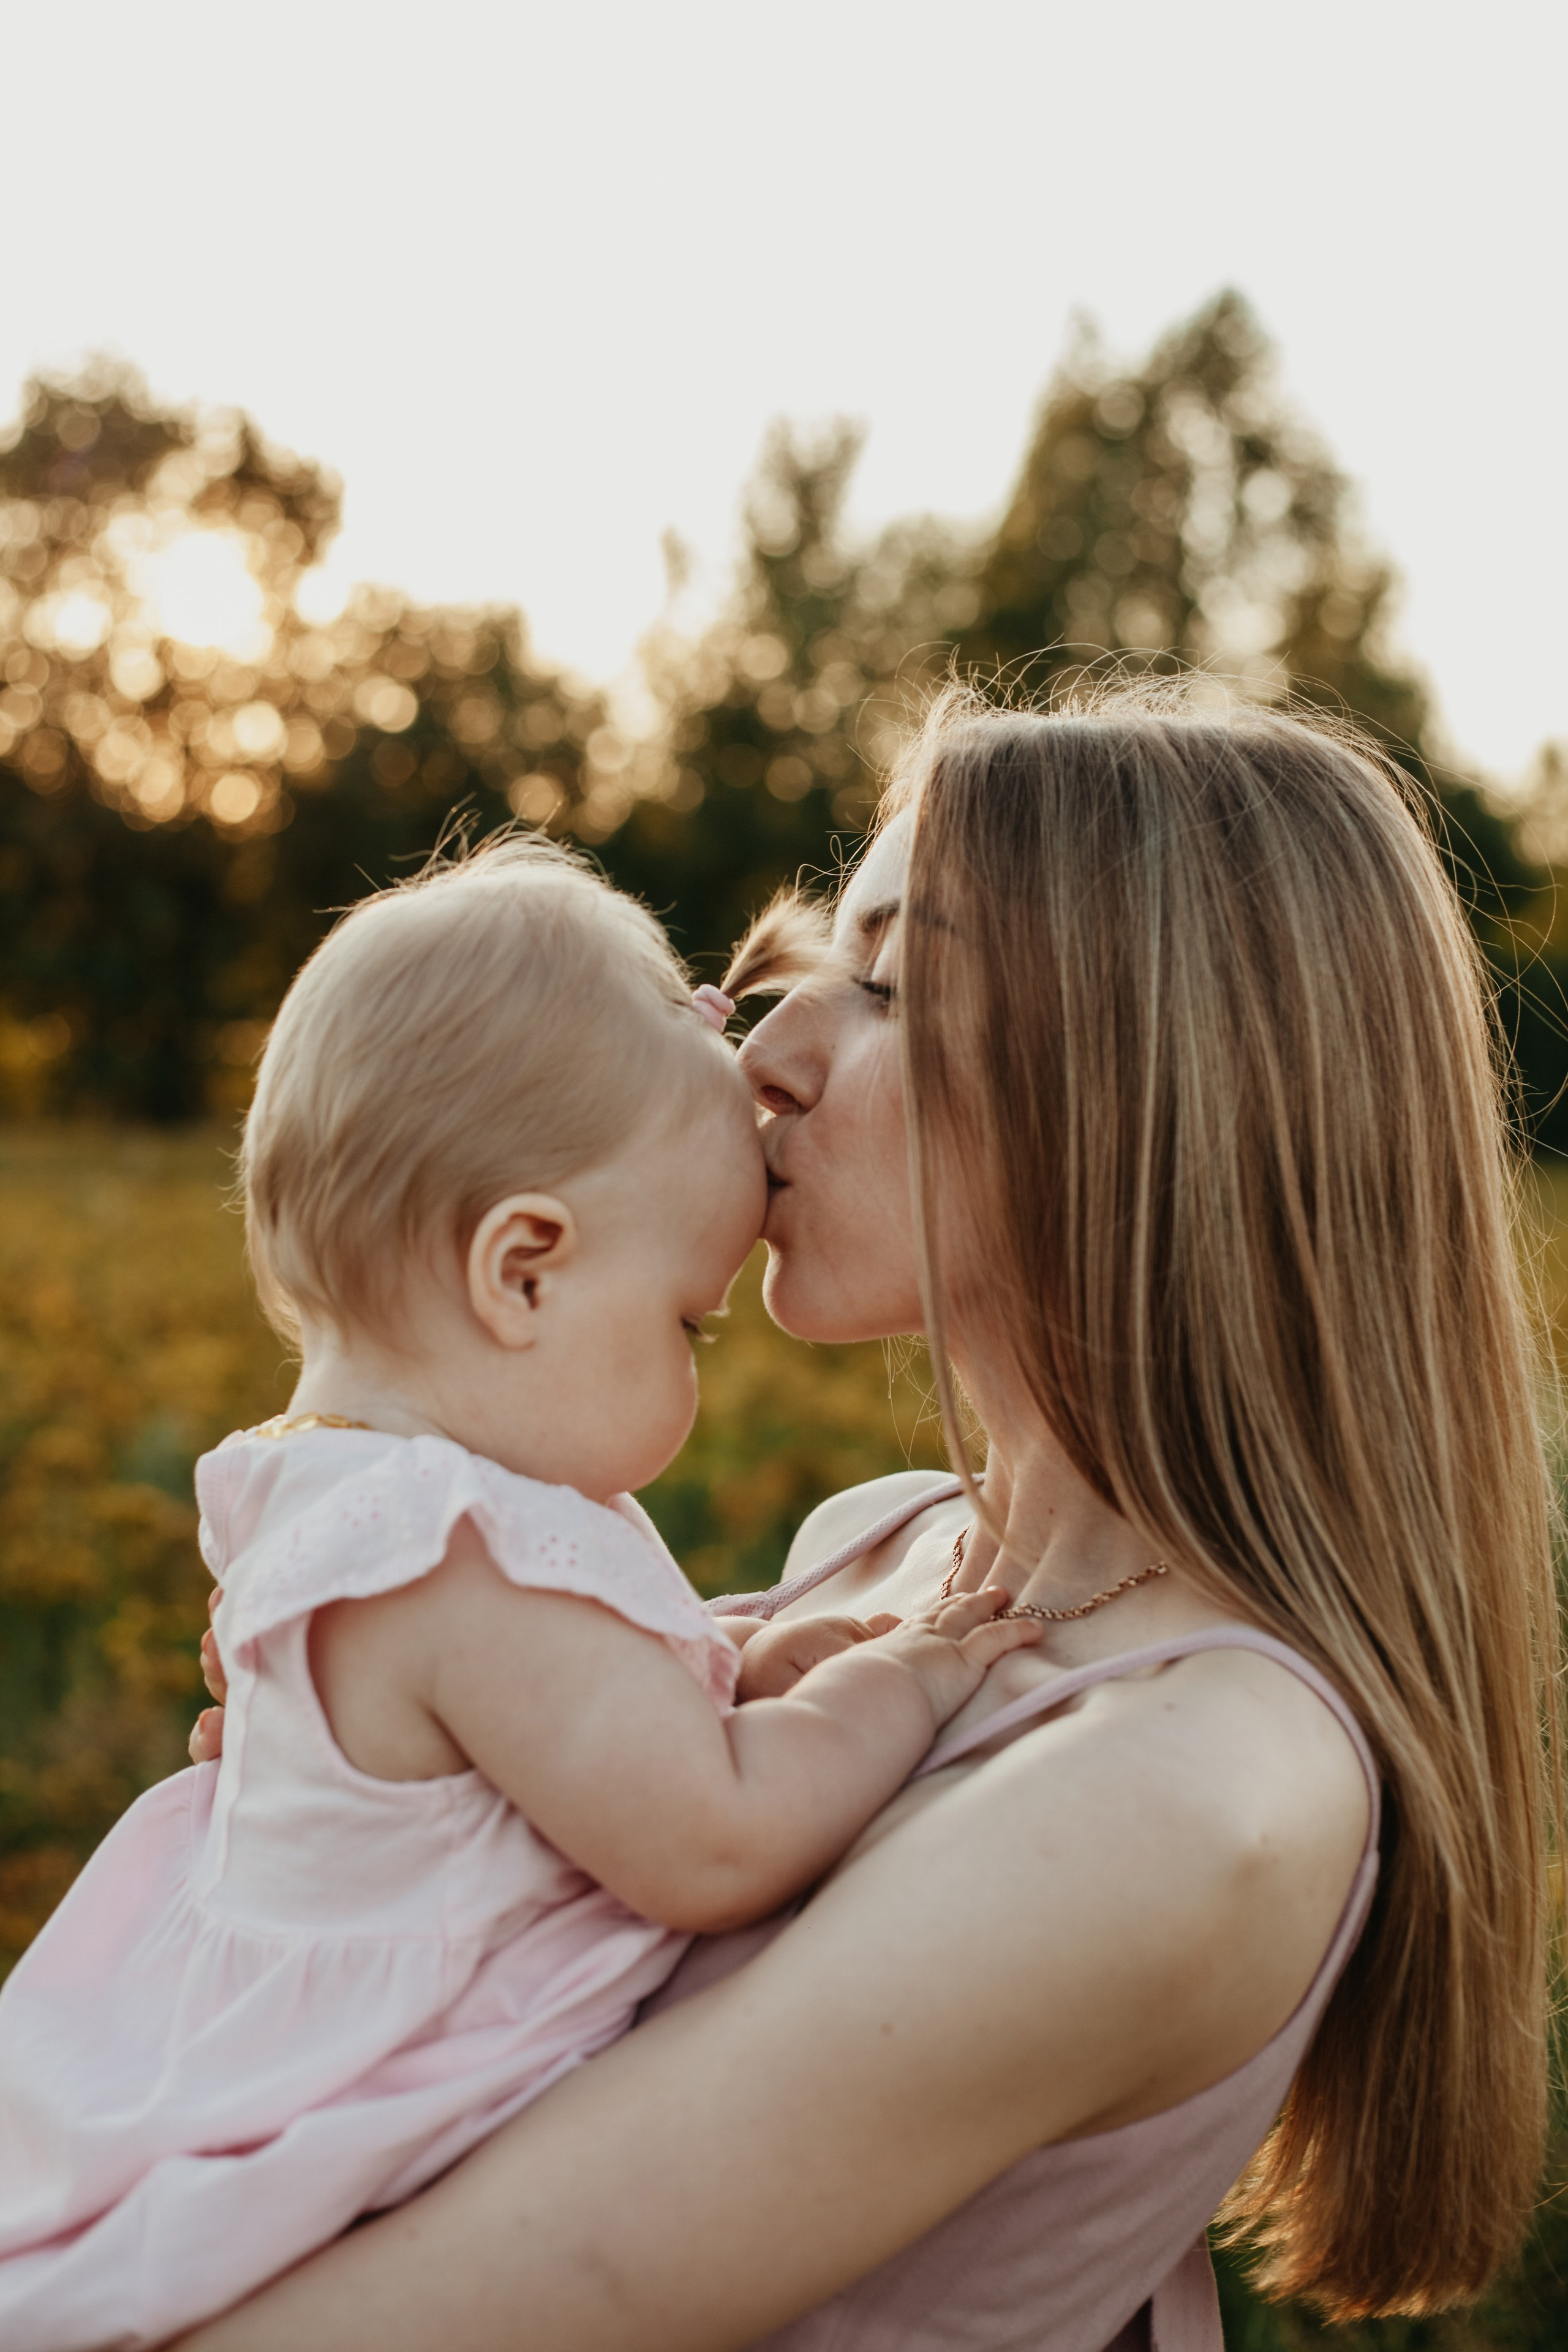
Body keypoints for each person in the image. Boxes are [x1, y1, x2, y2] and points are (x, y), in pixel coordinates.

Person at [180, 686, 1559, 2352]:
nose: (764, 1054)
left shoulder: (1199, 1783)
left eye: (893, 985)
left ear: (1156, 1083)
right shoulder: (895, 1543)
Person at [0, 839, 1042, 2352]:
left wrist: (766, 1660)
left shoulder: (354, 1491)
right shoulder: (458, 1547)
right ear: (523, 1273)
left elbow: (625, 1720)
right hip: (336, 2150)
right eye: (688, 1321)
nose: (698, 1359)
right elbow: (715, 1836)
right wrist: (909, 1678)